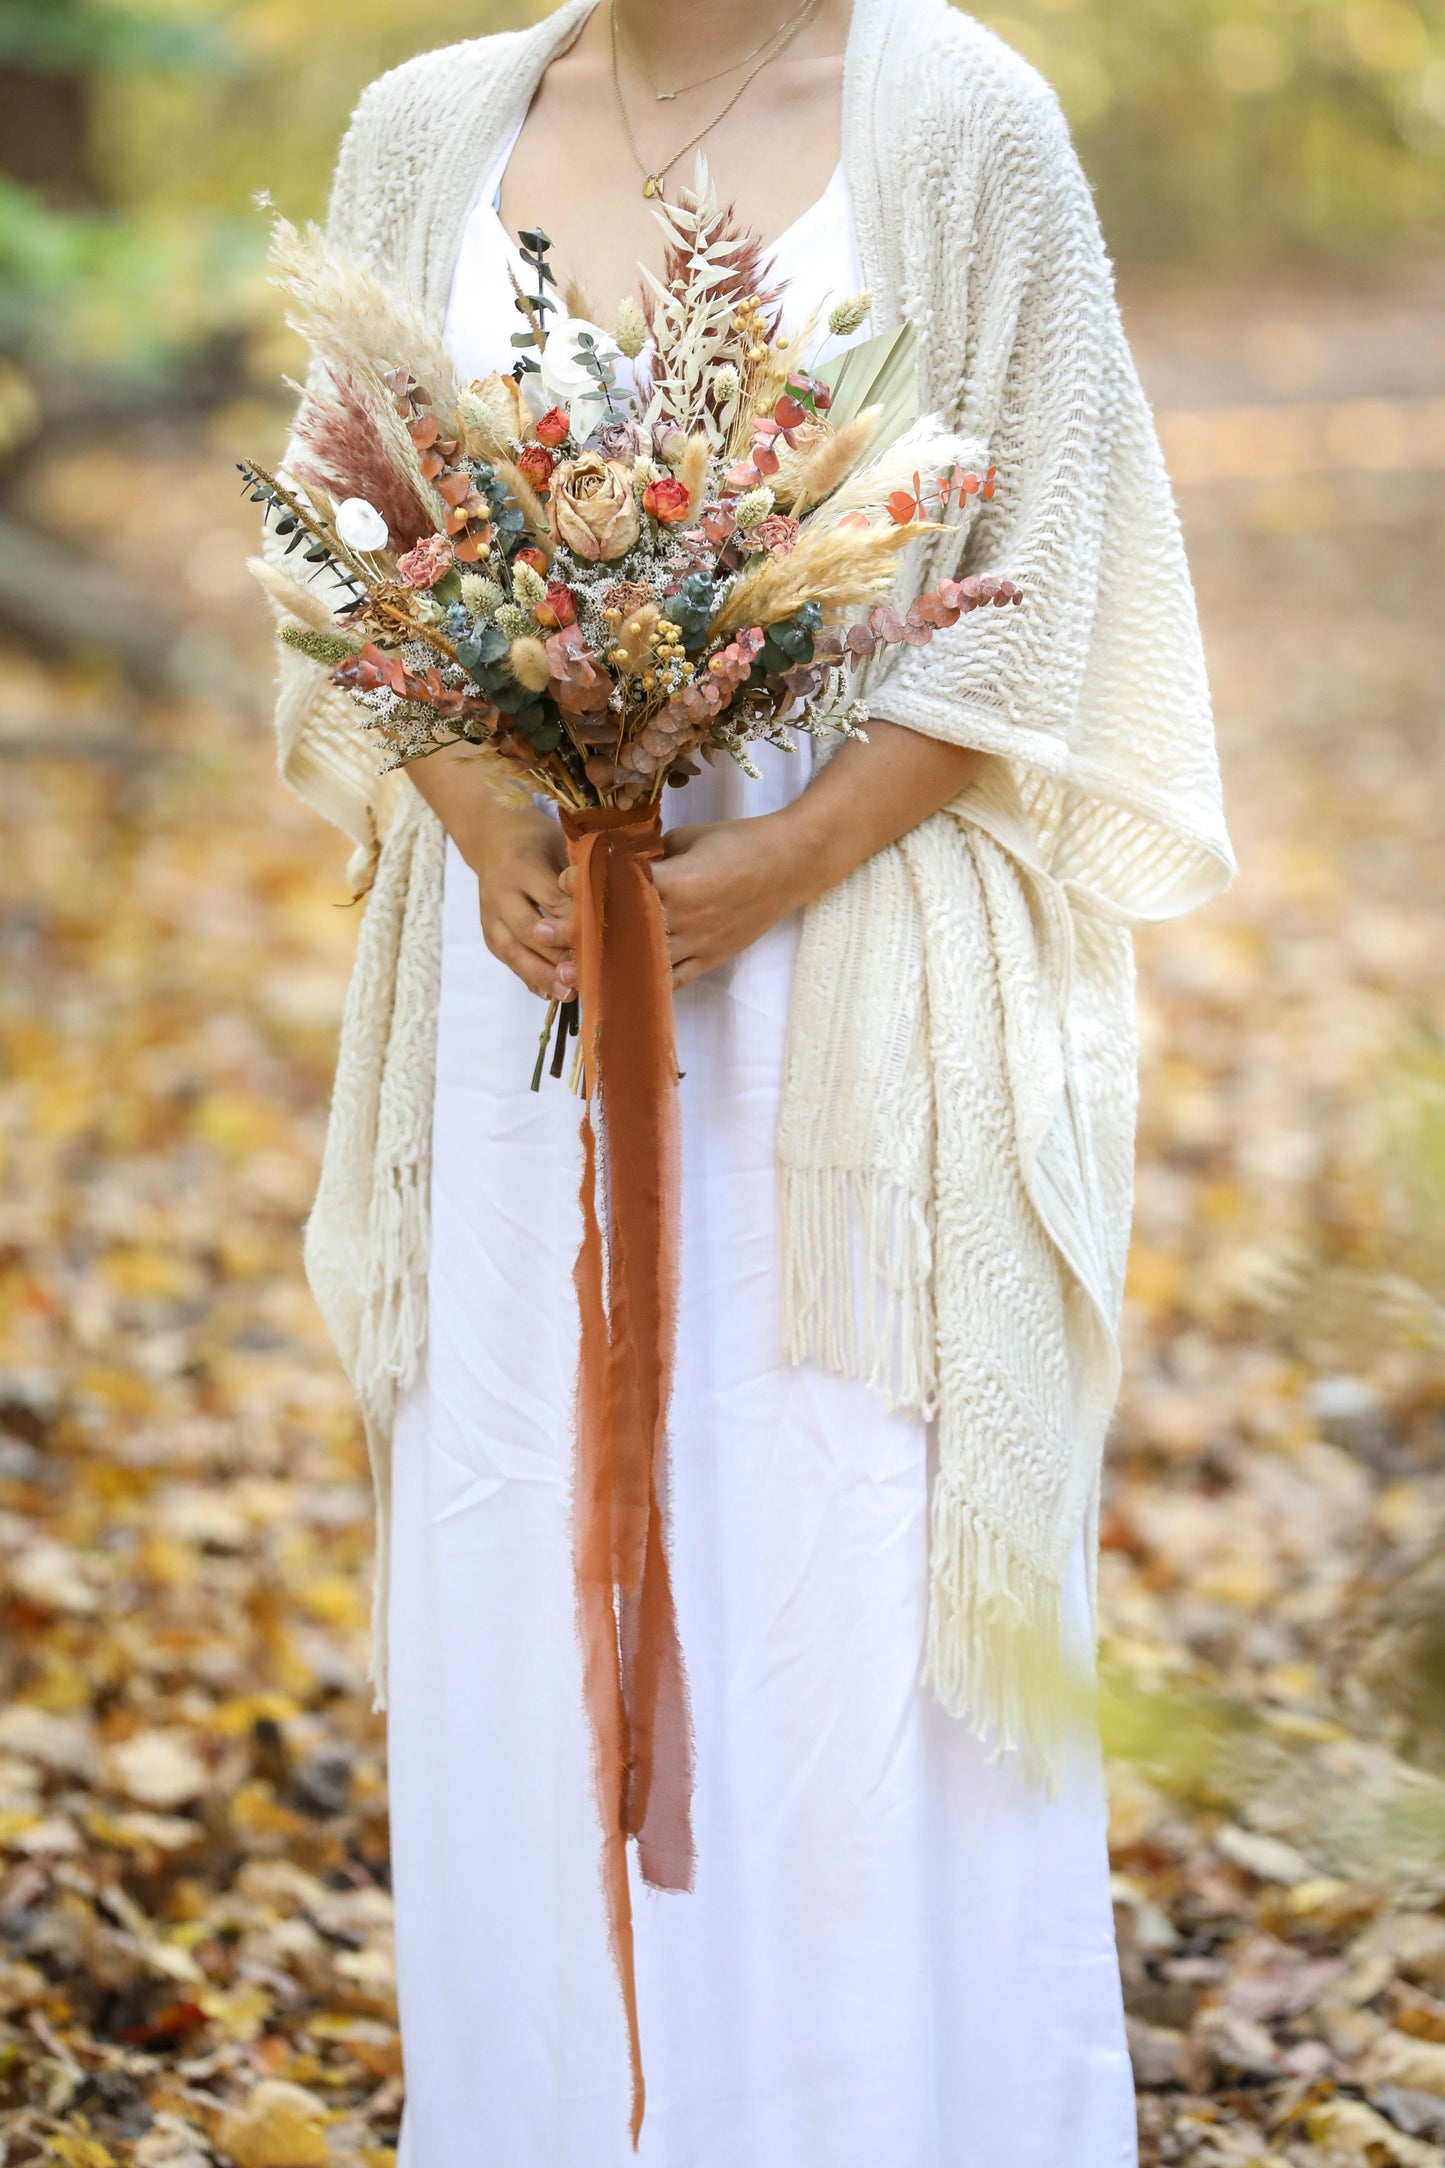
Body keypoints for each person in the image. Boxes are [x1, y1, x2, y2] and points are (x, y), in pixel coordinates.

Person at [266, 1, 1234, 2161]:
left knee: (841, 1597)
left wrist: (775, 861)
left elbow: (1043, 571)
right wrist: (479, 814)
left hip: (847, 1030)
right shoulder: (428, 124)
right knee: (535, 1578)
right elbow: (337, 542)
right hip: (519, 1030)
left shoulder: (964, 116)